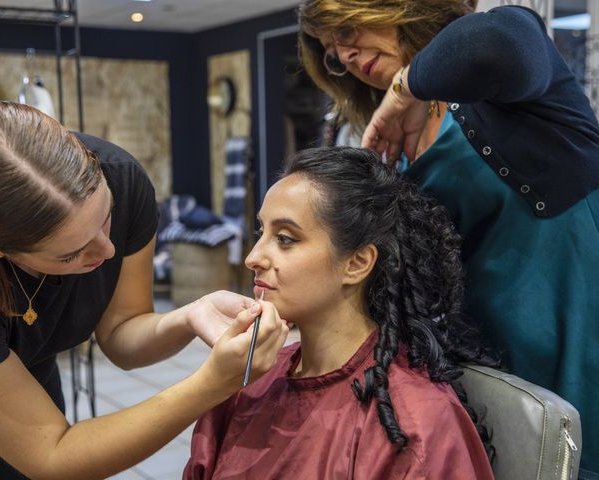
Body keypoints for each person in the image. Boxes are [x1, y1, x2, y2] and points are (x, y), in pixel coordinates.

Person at [298, 2, 599, 476]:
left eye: (348, 30)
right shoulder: (390, 154)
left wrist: (406, 87)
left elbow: (501, 41)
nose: (347, 55)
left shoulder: (500, 78)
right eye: (333, 53)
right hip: (498, 372)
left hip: (582, 340)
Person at [0, 100, 289, 479]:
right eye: (71, 255)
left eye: (107, 218)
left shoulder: (122, 178)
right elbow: (52, 455)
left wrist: (189, 314)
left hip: (29, 378)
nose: (109, 250)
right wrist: (211, 384)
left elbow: (121, 334)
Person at [183, 146, 498, 479]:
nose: (253, 257)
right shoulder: (246, 380)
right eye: (262, 233)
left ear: (357, 263)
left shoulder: (414, 424)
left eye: (286, 239)